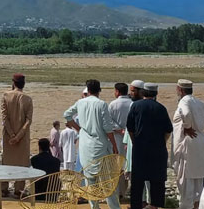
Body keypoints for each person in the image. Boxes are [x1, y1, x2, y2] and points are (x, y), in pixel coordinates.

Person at [64, 79, 120, 209]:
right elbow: (107, 128)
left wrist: (79, 128)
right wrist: (114, 145)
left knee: (90, 179)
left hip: (85, 145)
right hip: (100, 144)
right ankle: (114, 207)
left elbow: (67, 115)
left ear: (88, 90)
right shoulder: (101, 104)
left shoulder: (80, 103)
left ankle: (94, 207)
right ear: (99, 90)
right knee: (106, 181)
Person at [126, 83, 173, 209]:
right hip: (157, 150)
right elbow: (168, 129)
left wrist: (135, 141)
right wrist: (162, 142)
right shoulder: (161, 108)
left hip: (140, 150)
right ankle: (156, 206)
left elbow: (130, 127)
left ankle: (136, 206)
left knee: (137, 182)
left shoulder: (135, 106)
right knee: (157, 182)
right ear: (156, 94)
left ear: (143, 93)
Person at [172, 79, 204, 209]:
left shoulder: (185, 101)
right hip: (199, 141)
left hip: (188, 142)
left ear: (180, 90)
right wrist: (200, 125)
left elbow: (186, 113)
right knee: (198, 181)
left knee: (186, 180)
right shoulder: (198, 101)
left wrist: (188, 127)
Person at [0, 73, 33, 198]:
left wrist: (11, 134)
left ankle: (3, 188)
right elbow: (28, 121)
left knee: (7, 161)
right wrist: (18, 136)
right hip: (22, 137)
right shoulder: (28, 99)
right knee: (22, 162)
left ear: (13, 83)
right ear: (24, 84)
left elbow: (4, 117)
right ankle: (18, 190)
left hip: (8, 136)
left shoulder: (5, 96)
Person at [108, 82, 132, 200]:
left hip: (117, 137)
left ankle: (116, 192)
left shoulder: (113, 104)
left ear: (117, 91)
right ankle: (123, 191)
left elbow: (108, 121)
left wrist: (119, 129)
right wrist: (126, 130)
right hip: (130, 138)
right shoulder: (132, 104)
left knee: (116, 165)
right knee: (126, 164)